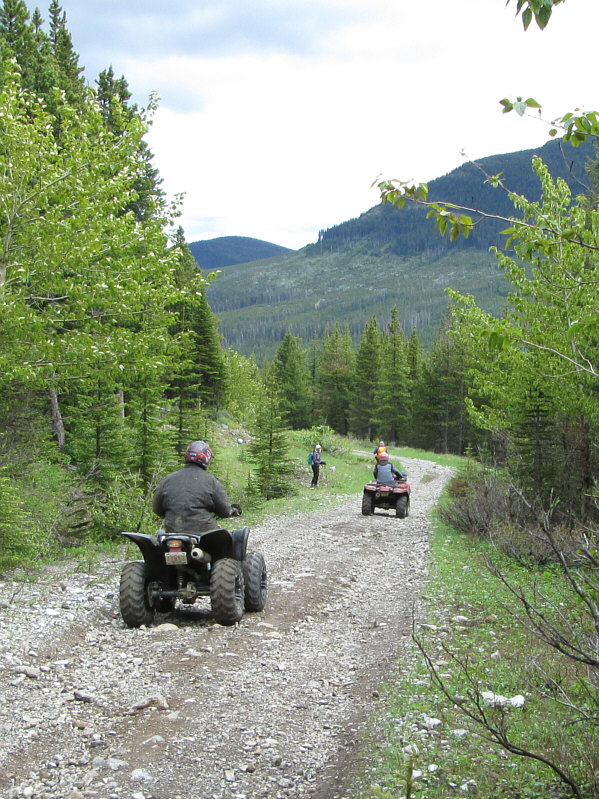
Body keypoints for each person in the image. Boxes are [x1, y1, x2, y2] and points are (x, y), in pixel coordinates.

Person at [153, 440, 241, 534]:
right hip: (203, 534)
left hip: (172, 532)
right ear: (206, 458)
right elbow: (224, 511)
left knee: (159, 539)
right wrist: (233, 510)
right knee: (228, 541)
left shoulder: (168, 479)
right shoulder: (211, 481)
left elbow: (157, 509)